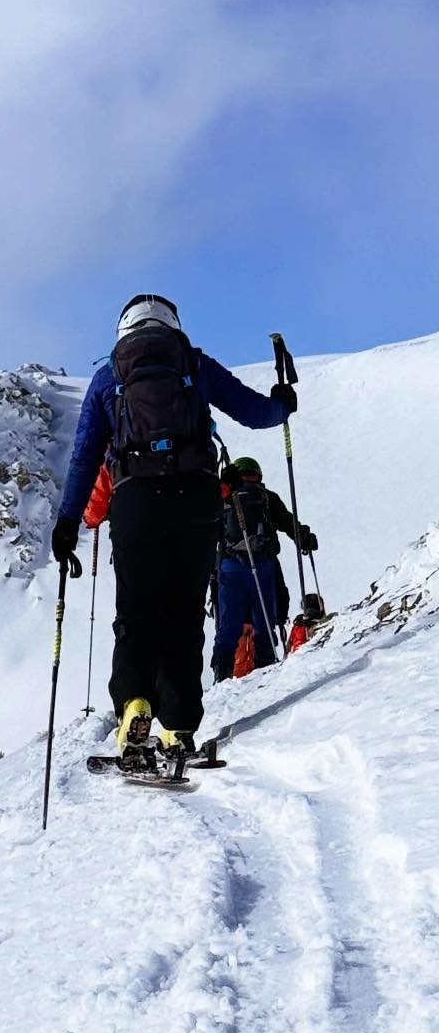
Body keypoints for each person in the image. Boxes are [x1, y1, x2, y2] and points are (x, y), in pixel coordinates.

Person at [51, 293, 296, 765]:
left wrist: (67, 523)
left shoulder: (108, 378)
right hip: (197, 502)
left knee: (136, 615)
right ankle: (178, 725)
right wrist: (282, 404)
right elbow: (255, 412)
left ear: (124, 331)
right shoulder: (194, 365)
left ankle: (134, 707)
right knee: (184, 615)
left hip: (136, 504)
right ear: (171, 325)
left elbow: (85, 457)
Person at [212, 455, 319, 681]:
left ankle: (222, 674)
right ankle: (267, 672)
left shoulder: (225, 497)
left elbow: (207, 532)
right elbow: (288, 523)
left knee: (228, 627)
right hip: (264, 567)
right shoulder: (267, 498)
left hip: (230, 568)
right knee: (264, 623)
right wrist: (304, 538)